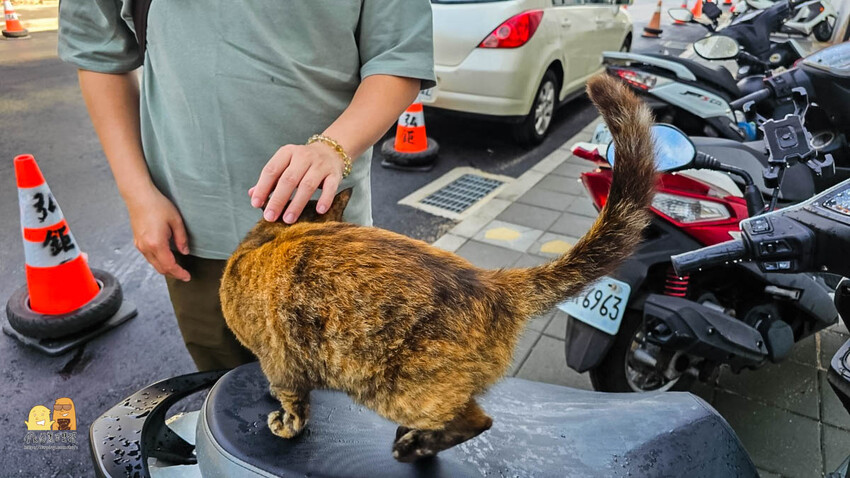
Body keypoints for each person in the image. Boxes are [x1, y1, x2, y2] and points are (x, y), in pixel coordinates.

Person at [58, 0, 435, 371]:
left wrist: (333, 147)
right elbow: (99, 55)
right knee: (224, 387)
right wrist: (138, 194)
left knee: (339, 391)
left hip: (323, 233)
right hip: (191, 232)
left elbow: (397, 57)